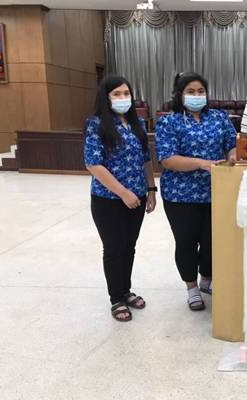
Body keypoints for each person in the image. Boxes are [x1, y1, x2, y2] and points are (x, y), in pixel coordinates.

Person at [156, 72, 236, 311]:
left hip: (216, 191)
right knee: (186, 243)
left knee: (213, 241)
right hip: (180, 195)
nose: (197, 95)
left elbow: (232, 145)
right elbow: (168, 159)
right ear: (180, 95)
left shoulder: (219, 118)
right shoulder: (169, 122)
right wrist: (202, 163)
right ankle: (191, 287)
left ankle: (206, 280)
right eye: (190, 91)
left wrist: (233, 155)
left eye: (201, 91)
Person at [84, 75, 157, 322]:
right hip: (108, 199)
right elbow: (94, 164)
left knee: (129, 246)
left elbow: (146, 159)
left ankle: (126, 290)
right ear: (106, 98)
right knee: (114, 248)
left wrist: (151, 189)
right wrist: (123, 192)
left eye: (126, 93)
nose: (123, 98)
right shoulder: (96, 124)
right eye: (116, 94)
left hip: (137, 197)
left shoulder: (137, 124)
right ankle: (116, 298)